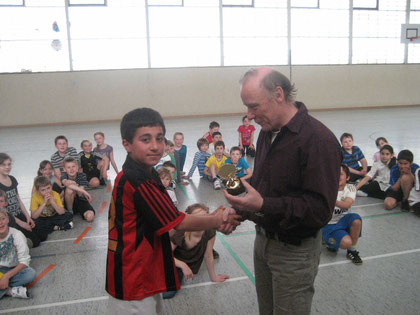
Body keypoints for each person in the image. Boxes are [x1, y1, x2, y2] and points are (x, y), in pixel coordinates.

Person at [224, 67, 342, 315]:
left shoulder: (318, 140)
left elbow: (320, 211)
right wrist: (240, 211)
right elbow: (264, 184)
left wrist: (263, 205)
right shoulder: (267, 133)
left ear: (278, 94)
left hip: (294, 253)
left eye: (254, 106)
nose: (249, 115)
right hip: (263, 242)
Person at [105, 108, 240, 315]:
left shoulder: (144, 174)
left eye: (159, 138)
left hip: (144, 270)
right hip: (132, 278)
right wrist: (216, 220)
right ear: (127, 144)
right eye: (145, 139)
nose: (155, 146)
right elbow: (178, 222)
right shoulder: (136, 180)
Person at [163, 203, 230, 299]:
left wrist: (213, 277)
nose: (201, 222)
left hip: (188, 260)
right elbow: (164, 255)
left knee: (208, 249)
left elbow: (208, 255)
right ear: (190, 220)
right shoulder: (180, 231)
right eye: (197, 218)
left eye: (204, 218)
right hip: (175, 261)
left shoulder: (209, 230)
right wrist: (182, 265)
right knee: (168, 294)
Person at [0, 153, 46, 248]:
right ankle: (15, 244)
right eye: (3, 165)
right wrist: (21, 223)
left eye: (9, 164)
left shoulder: (12, 179)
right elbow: (2, 209)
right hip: (10, 219)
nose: (7, 167)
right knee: (35, 241)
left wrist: (27, 217)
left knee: (42, 235)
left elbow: (18, 200)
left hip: (19, 214)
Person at [322, 165, 363, 264]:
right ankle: (325, 239)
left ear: (347, 177)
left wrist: (331, 200)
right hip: (329, 224)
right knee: (346, 243)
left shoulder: (350, 188)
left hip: (343, 220)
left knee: (356, 219)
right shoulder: (325, 188)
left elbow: (346, 205)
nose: (337, 176)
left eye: (340, 174)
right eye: (334, 174)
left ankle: (352, 251)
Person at [0, 208, 36, 300]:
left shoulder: (17, 235)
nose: (0, 222)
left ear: (8, 219)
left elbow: (24, 262)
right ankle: (10, 291)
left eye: (2, 218)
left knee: (30, 274)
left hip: (13, 269)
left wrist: (6, 276)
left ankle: (4, 287)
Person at [60, 157, 95, 222]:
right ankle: (70, 211)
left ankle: (80, 212)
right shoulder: (63, 176)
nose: (71, 169)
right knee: (69, 190)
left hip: (81, 201)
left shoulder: (82, 175)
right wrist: (85, 192)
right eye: (68, 167)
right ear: (64, 169)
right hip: (69, 202)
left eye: (73, 166)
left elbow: (79, 193)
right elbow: (66, 183)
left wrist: (73, 185)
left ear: (77, 167)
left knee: (90, 217)